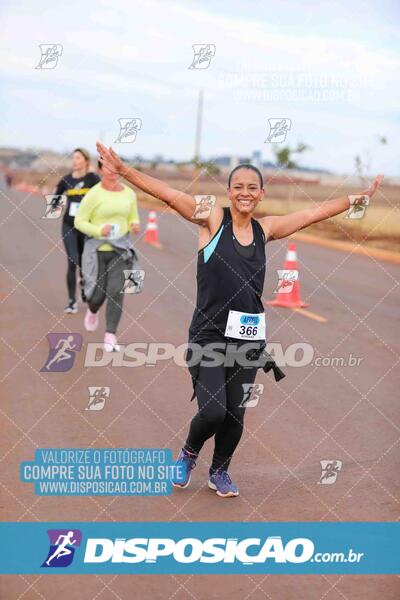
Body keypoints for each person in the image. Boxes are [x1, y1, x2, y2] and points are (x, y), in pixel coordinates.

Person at [96, 140, 383, 498]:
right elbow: (170, 194)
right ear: (229, 192)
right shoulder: (213, 218)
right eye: (238, 187)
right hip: (208, 336)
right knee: (214, 412)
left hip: (248, 340)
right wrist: (124, 171)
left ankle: (220, 471)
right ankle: (188, 454)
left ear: (261, 194)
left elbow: (311, 214)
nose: (245, 194)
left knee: (235, 415)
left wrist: (354, 199)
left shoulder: (266, 229)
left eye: (252, 188)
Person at [74, 161, 140, 352]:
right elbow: (79, 221)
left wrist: (134, 224)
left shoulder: (129, 193)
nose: (112, 172)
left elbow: (132, 216)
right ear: (101, 170)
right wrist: (98, 229)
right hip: (96, 250)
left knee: (116, 291)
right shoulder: (94, 194)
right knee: (96, 295)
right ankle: (92, 310)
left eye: (115, 168)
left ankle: (110, 335)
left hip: (120, 249)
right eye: (107, 168)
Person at [55, 148, 100, 314]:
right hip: (69, 226)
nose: (75, 160)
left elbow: (102, 196)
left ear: (86, 161)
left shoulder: (93, 179)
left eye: (78, 158)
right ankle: (71, 301)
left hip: (87, 226)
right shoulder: (66, 180)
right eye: (73, 157)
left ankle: (84, 283)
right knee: (72, 261)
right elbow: (56, 196)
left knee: (85, 262)